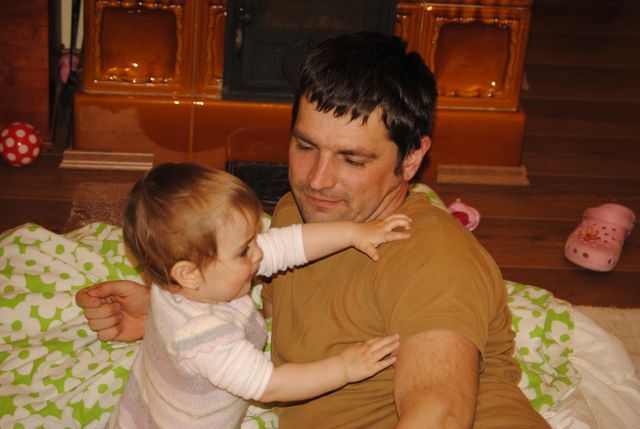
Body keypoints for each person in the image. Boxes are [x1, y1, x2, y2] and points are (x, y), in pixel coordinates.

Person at [77, 32, 551, 428]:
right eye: (306, 146)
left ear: (411, 158)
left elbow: (439, 414)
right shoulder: (294, 213)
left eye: (352, 158)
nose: (317, 180)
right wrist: (175, 310)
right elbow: (274, 306)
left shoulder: (432, 258)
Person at [108, 162, 410, 428]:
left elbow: (285, 246)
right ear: (189, 274)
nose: (258, 252)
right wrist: (345, 367)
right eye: (244, 250)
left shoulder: (179, 276)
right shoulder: (203, 336)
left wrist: (352, 233)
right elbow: (271, 386)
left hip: (148, 405)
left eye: (254, 239)